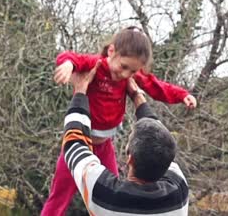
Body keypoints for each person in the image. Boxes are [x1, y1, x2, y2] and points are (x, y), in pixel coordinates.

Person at [41, 26, 196, 215]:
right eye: (123, 67)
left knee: (114, 193)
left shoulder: (130, 75)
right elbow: (72, 58)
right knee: (59, 196)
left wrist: (182, 95)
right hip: (82, 141)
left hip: (105, 146)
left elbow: (156, 86)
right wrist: (67, 65)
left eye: (132, 71)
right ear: (112, 51)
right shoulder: (96, 65)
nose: (125, 75)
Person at [61, 61, 189, 215]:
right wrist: (137, 95)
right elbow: (159, 137)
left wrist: (80, 90)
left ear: (130, 159)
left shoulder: (105, 197)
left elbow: (74, 144)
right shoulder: (179, 191)